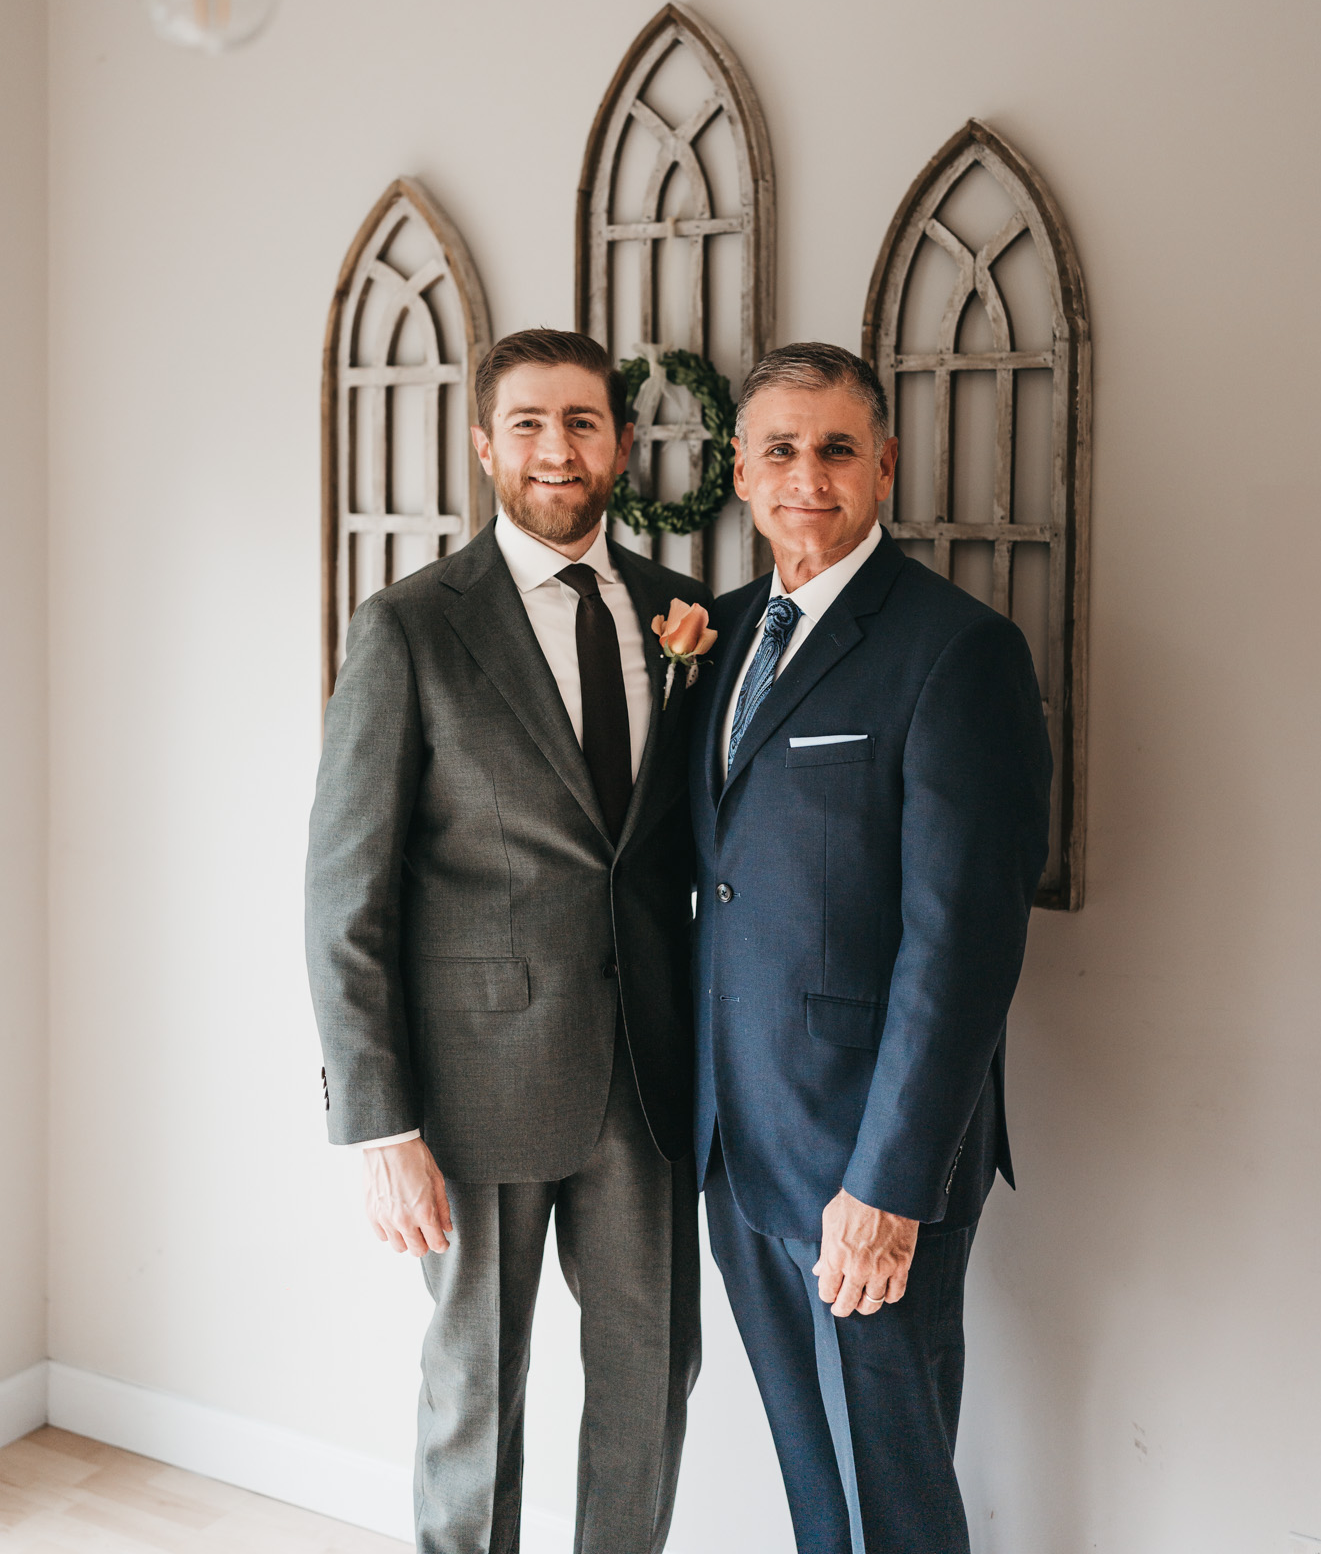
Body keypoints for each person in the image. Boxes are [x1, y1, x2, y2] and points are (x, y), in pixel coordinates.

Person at [306, 327, 712, 1554]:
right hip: (474, 1086)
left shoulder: (677, 613)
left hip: (646, 1070)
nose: (556, 446)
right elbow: (343, 895)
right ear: (486, 443)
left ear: (623, 445)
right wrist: (379, 1123)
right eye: (528, 422)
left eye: (582, 421)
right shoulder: (411, 628)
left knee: (653, 1381)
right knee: (476, 1395)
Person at [692, 341, 1052, 1554]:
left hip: (867, 1156)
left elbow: (965, 945)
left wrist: (890, 1183)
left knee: (891, 1493)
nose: (809, 474)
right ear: (741, 472)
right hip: (733, 1142)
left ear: (884, 465)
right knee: (814, 1475)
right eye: (781, 449)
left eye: (837, 447)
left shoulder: (958, 651)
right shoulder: (723, 635)